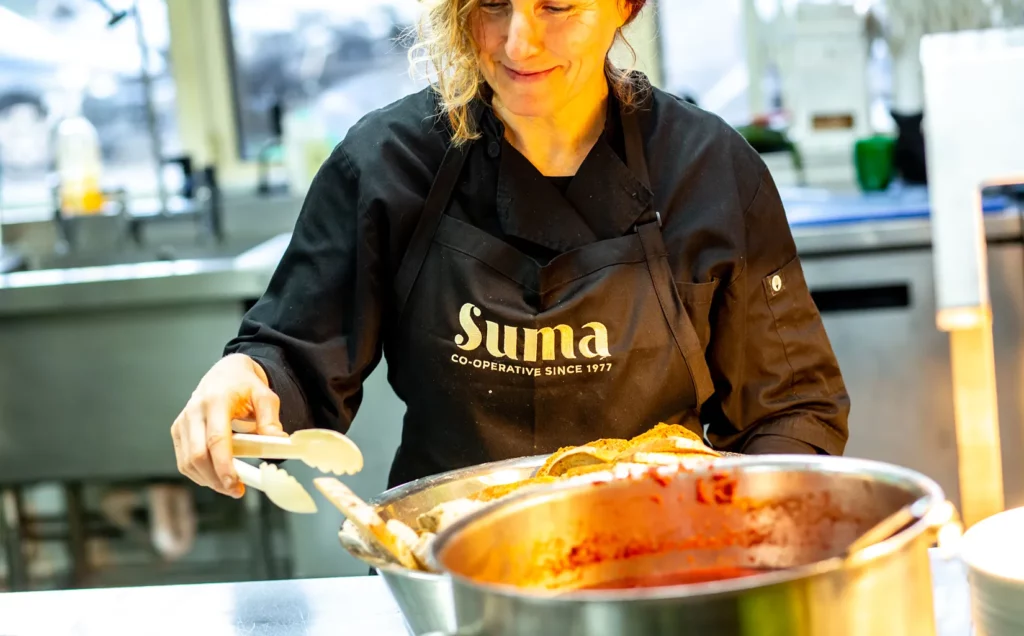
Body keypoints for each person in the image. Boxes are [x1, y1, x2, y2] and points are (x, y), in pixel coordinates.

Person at [171, 0, 850, 499]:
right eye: (491, 5)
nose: (519, 42)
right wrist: (246, 381)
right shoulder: (386, 165)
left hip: (662, 567)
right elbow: (294, 354)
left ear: (625, 7)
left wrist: (743, 529)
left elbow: (791, 410)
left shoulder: (708, 171)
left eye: (557, 6)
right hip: (451, 578)